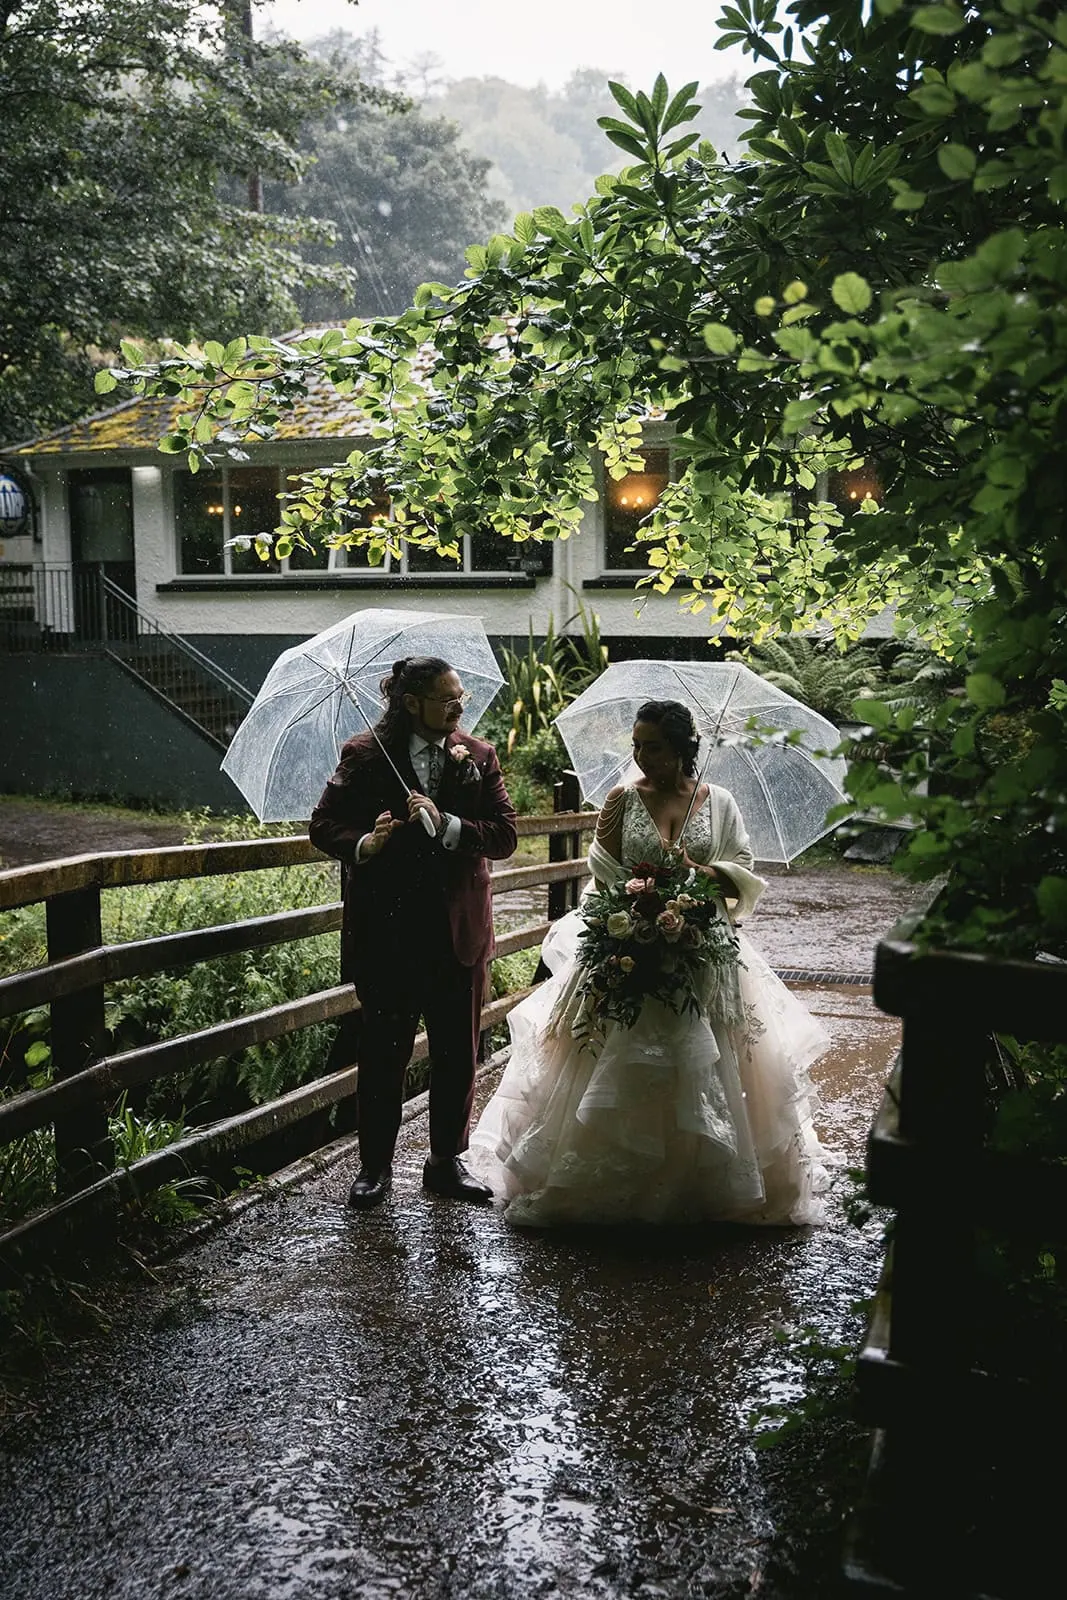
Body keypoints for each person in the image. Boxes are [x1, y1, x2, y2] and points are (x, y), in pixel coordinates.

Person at [467, 699, 831, 1227]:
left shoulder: (719, 801)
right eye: (636, 745)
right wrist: (639, 907)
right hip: (627, 944)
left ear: (683, 748)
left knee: (712, 1062)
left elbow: (743, 872)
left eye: (652, 746)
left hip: (703, 951)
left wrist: (694, 871)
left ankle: (704, 1184)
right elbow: (604, 874)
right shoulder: (620, 800)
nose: (640, 756)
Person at [309, 655, 517, 1210]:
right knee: (383, 1057)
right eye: (447, 698)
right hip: (389, 936)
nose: (458, 706)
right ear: (410, 703)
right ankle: (374, 1169)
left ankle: (446, 1163)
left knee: (458, 1054)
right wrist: (366, 845)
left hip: (458, 935)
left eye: (460, 698)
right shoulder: (363, 756)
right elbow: (323, 826)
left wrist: (449, 824)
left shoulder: (478, 756)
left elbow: (503, 835)